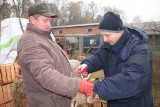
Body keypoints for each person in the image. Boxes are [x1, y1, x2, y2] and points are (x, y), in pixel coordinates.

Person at [17, 2, 93, 107]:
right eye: (45, 20)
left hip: (58, 99)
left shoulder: (43, 37)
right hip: (48, 102)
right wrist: (76, 85)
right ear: (32, 19)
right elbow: (45, 74)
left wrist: (61, 56)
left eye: (49, 20)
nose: (49, 24)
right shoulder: (30, 42)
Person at [76, 11, 153, 107]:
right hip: (114, 101)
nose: (104, 39)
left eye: (107, 35)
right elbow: (99, 57)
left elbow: (130, 80)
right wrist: (87, 64)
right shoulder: (110, 44)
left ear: (119, 32)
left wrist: (96, 88)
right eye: (102, 35)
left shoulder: (139, 49)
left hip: (135, 103)